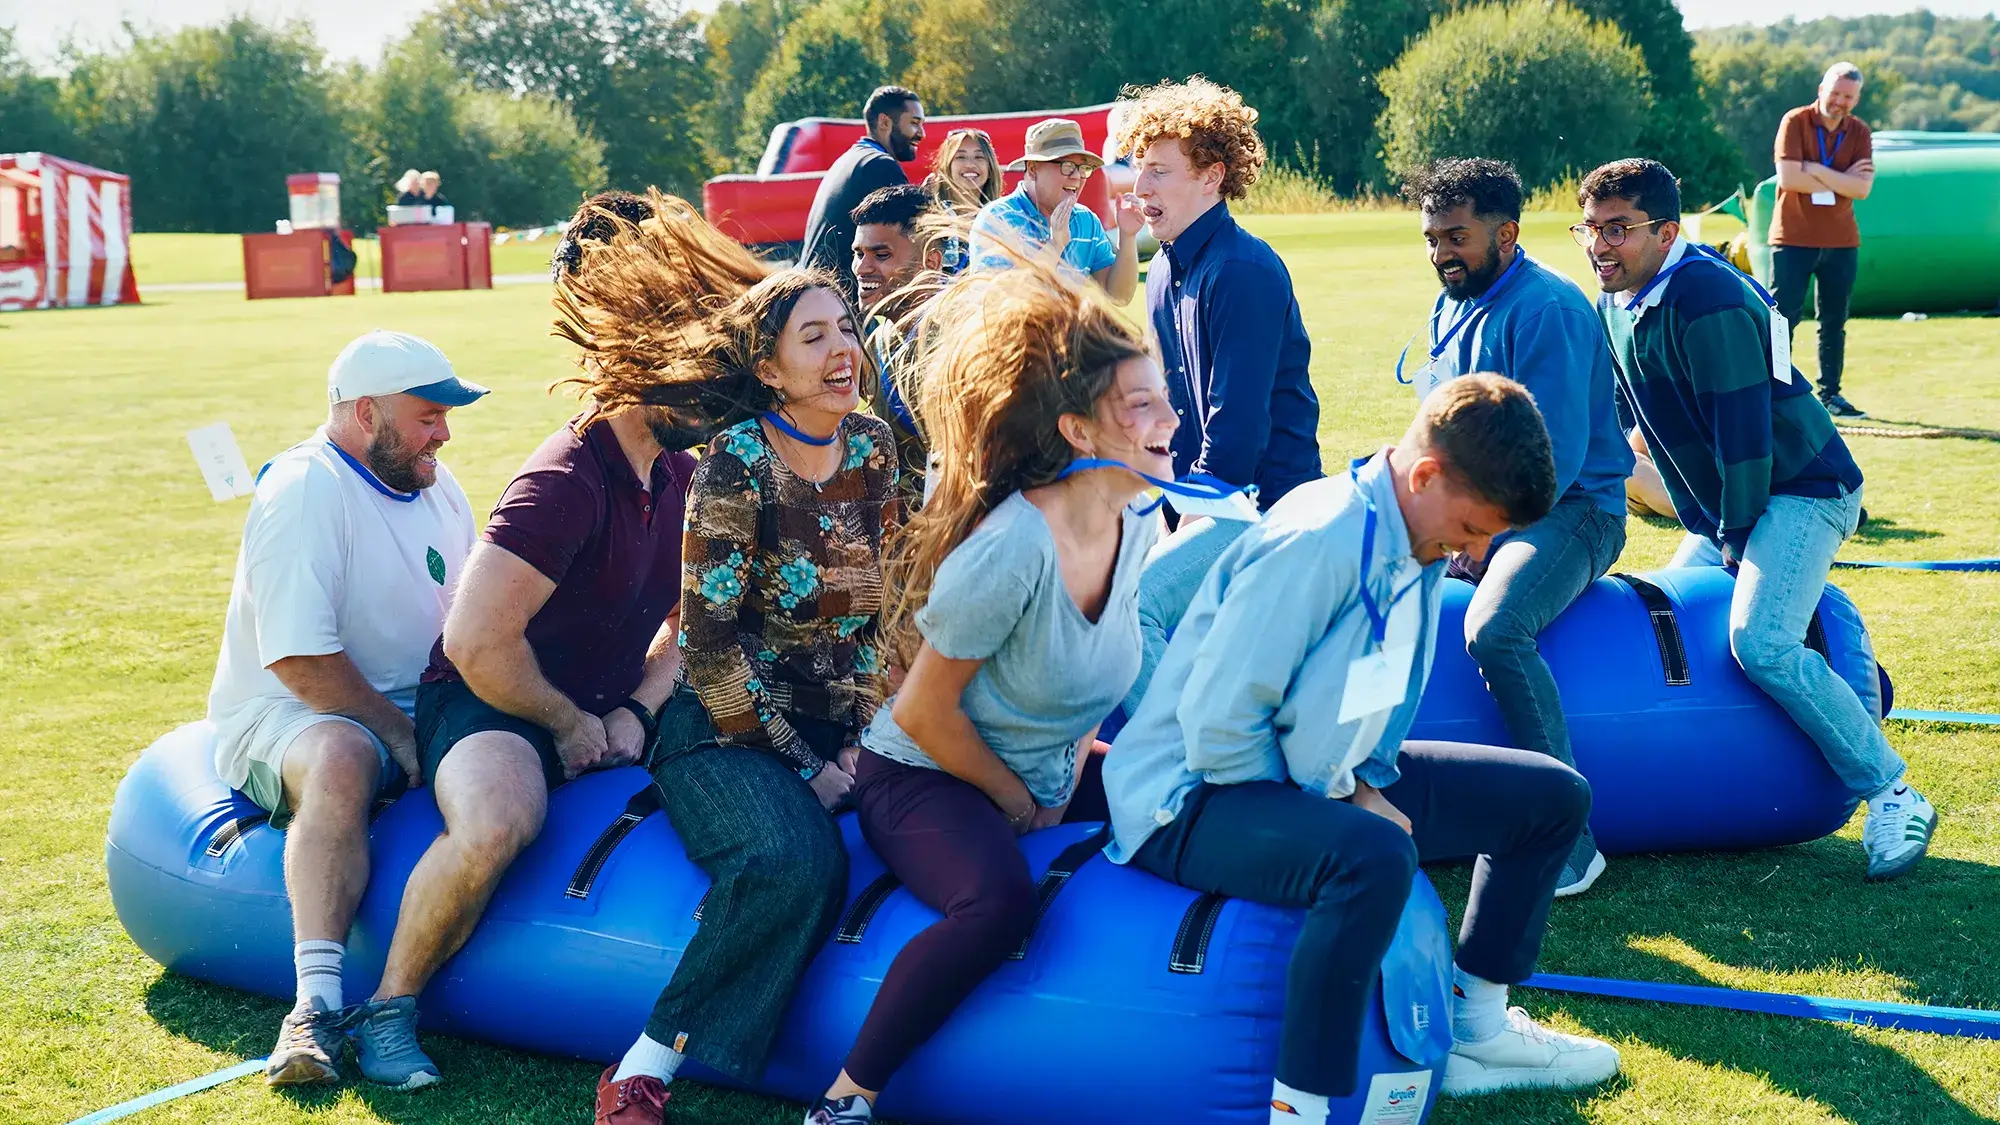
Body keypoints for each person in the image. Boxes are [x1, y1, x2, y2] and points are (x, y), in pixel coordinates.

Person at [1103, 376, 1622, 1118]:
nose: (1475, 550)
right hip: (1190, 795)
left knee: (1550, 796)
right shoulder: (1318, 541)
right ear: (1425, 475)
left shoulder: (1417, 530)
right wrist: (1351, 799)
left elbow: (1361, 702)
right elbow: (1218, 728)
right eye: (1474, 529)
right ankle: (1301, 1110)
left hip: (1321, 774)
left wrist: (1361, 782)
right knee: (1371, 857)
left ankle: (1477, 1031)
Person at [806, 250, 1176, 1125]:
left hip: (1043, 768)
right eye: (1142, 404)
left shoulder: (1138, 517)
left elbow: (1081, 682)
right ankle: (844, 1099)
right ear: (1080, 431)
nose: (1169, 419)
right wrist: (1020, 799)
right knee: (998, 904)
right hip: (922, 774)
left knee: (1182, 796)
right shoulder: (1013, 547)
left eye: (1164, 395)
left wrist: (1090, 763)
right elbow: (923, 712)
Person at [588, 223, 901, 1124]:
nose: (843, 349)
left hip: (851, 722)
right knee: (792, 858)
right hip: (726, 728)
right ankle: (642, 1070)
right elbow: (712, 646)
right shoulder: (735, 462)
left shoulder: (877, 448)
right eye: (815, 336)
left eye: (845, 327)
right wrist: (812, 765)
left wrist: (875, 736)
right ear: (769, 368)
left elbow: (894, 609)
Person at [1577, 158, 1936, 882]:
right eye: (1589, 227)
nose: (1598, 245)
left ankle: (1894, 791)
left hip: (1800, 489)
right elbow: (1624, 420)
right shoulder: (1615, 298)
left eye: (1617, 228)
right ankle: (1831, 692)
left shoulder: (1702, 296)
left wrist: (1737, 538)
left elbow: (1744, 438)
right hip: (1729, 507)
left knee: (1758, 639)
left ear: (1667, 231)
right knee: (1678, 632)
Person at [203, 329, 488, 1087]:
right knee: (341, 755)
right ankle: (315, 1008)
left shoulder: (439, 484)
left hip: (414, 705)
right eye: (429, 414)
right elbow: (298, 659)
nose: (445, 432)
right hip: (285, 710)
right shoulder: (305, 489)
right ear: (367, 412)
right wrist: (400, 734)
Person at [1402, 157, 1633, 897]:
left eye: (1457, 236)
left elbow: (1555, 461)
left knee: (1494, 628)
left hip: (1570, 512)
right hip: (1479, 515)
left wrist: (1479, 542)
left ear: (1507, 233)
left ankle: (1570, 844)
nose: (1442, 253)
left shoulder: (1550, 310)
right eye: (1433, 237)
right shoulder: (1451, 305)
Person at [1112, 77, 1321, 714]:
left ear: (1212, 177)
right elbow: (1167, 417)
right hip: (1205, 495)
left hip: (1265, 508)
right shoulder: (1166, 267)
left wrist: (1177, 521)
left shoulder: (1242, 270)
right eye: (1138, 170)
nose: (1141, 188)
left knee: (1133, 610)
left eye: (1159, 173)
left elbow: (1235, 443)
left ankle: (1185, 783)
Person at [1770, 62, 1874, 418]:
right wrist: (1839, 178)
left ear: (1857, 99)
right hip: (1793, 237)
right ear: (1821, 89)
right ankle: (1776, 393)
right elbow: (1788, 177)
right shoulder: (1795, 122)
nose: (1840, 101)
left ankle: (1831, 394)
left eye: (1848, 96)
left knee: (1834, 321)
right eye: (1836, 93)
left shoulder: (1859, 131)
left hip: (1841, 241)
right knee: (1783, 318)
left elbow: (1862, 189)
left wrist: (1814, 169)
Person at [968, 117, 1143, 303]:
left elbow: (1119, 296)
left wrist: (1127, 237)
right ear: (1033, 169)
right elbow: (1000, 301)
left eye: (1083, 168)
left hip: (1067, 332)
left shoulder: (1086, 220)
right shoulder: (997, 219)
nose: (1077, 177)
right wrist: (1055, 245)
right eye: (1067, 166)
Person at [851, 184, 945, 507]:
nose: (862, 269)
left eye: (881, 255)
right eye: (858, 254)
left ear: (931, 260)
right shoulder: (878, 343)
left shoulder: (970, 332)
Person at [800, 85, 926, 298]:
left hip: (818, 294)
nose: (921, 134)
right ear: (885, 122)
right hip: (842, 301)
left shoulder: (853, 158)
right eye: (914, 123)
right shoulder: (880, 166)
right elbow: (909, 244)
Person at [923, 127, 1003, 274]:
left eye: (979, 157)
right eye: (960, 157)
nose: (970, 165)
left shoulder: (1002, 218)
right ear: (947, 166)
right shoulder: (928, 216)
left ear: (990, 167)